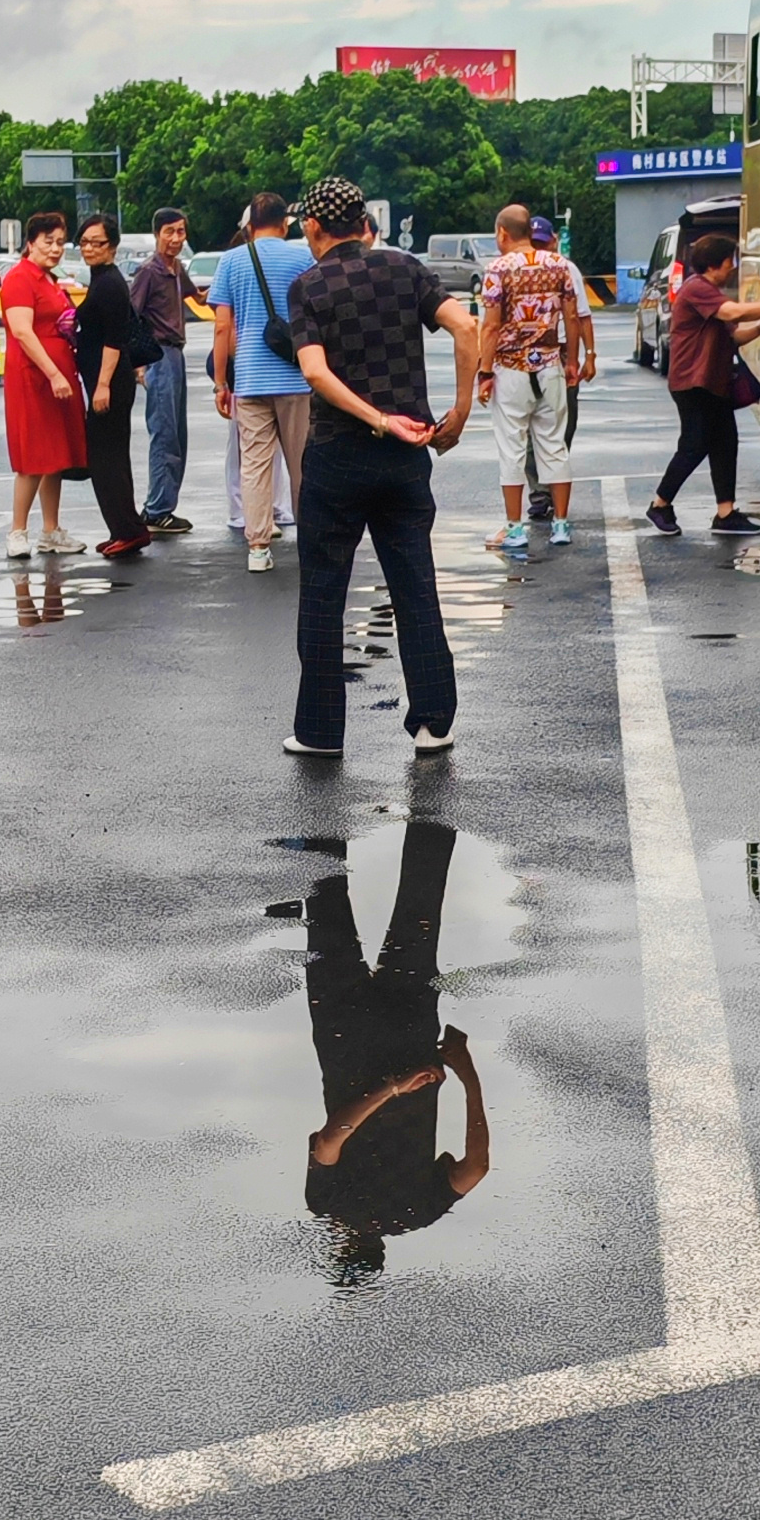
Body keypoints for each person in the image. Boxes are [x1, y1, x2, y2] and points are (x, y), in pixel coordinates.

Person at [279, 176, 477, 757]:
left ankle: (319, 732)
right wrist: (458, 413)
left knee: (322, 593)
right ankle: (433, 723)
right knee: (414, 584)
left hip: (338, 453)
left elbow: (314, 372)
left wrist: (373, 417)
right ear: (364, 222)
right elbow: (466, 325)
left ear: (314, 227)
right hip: (408, 453)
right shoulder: (405, 268)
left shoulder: (308, 286)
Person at [301, 820, 490, 1277]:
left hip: (411, 1039)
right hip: (343, 1033)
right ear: (343, 1248)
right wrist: (391, 1088)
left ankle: (434, 800)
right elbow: (331, 1139)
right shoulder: (328, 1205)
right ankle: (320, 793)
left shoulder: (418, 1213)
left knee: (419, 910)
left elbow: (476, 1169)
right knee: (327, 903)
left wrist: (465, 1073)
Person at [645, 234, 760, 538]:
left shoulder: (710, 292)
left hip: (713, 382)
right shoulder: (697, 288)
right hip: (693, 382)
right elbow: (734, 313)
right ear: (715, 264)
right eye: (730, 261)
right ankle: (660, 504)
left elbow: (734, 335)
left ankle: (726, 513)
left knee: (725, 443)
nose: (732, 267)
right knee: (694, 445)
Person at [210, 190, 316, 573]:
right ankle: (312, 541)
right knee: (302, 462)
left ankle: (257, 546)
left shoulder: (232, 261)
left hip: (251, 379)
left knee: (254, 465)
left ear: (249, 225)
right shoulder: (304, 257)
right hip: (296, 376)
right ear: (285, 224)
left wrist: (222, 383)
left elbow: (224, 327)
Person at [476, 205, 590, 553]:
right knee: (554, 444)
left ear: (502, 233)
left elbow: (491, 325)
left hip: (511, 369)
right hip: (551, 365)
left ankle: (515, 529)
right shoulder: (560, 266)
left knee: (512, 447)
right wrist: (573, 360)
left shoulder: (497, 270)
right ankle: (560, 524)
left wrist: (484, 372)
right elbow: (571, 316)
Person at [0, 211, 89, 558]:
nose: (54, 249)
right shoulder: (20, 278)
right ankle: (17, 531)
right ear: (30, 242)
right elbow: (22, 331)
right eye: (47, 242)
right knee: (32, 458)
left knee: (56, 457)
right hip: (33, 378)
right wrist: (53, 373)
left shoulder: (49, 279)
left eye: (59, 243)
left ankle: (51, 530)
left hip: (59, 378)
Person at [74, 216, 153, 561]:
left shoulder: (109, 284)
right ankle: (123, 528)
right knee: (111, 457)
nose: (90, 248)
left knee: (106, 460)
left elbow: (114, 340)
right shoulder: (100, 280)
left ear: (113, 247)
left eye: (98, 243)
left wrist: (102, 385)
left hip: (110, 382)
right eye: (85, 242)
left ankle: (129, 531)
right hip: (102, 380)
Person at [130, 205, 200, 533]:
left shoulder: (176, 268)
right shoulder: (149, 271)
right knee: (164, 433)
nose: (175, 239)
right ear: (157, 234)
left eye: (181, 232)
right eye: (169, 232)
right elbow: (131, 316)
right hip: (159, 356)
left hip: (177, 354)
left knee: (179, 436)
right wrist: (138, 363)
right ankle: (157, 509)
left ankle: (163, 505)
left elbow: (196, 297)